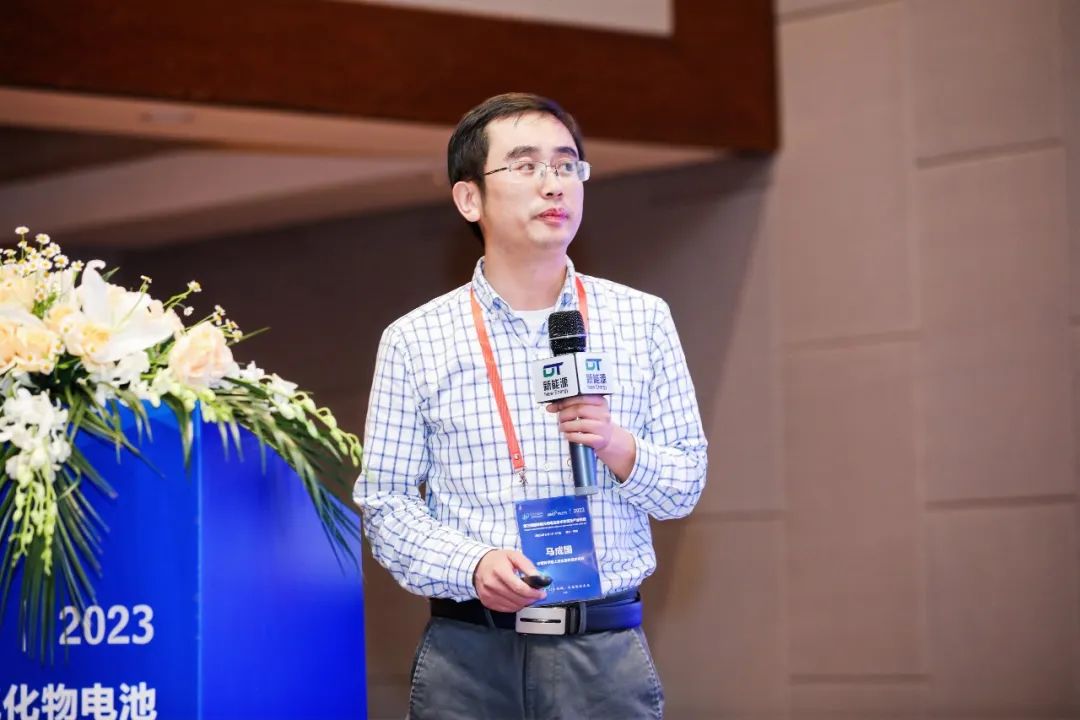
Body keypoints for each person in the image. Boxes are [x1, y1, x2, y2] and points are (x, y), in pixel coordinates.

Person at [353, 92, 707, 720]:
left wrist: (617, 446)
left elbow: (684, 485)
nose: (553, 183)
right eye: (526, 166)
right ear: (470, 198)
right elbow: (387, 504)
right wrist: (473, 564)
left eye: (567, 165)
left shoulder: (642, 319)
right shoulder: (415, 339)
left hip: (603, 654)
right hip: (469, 656)